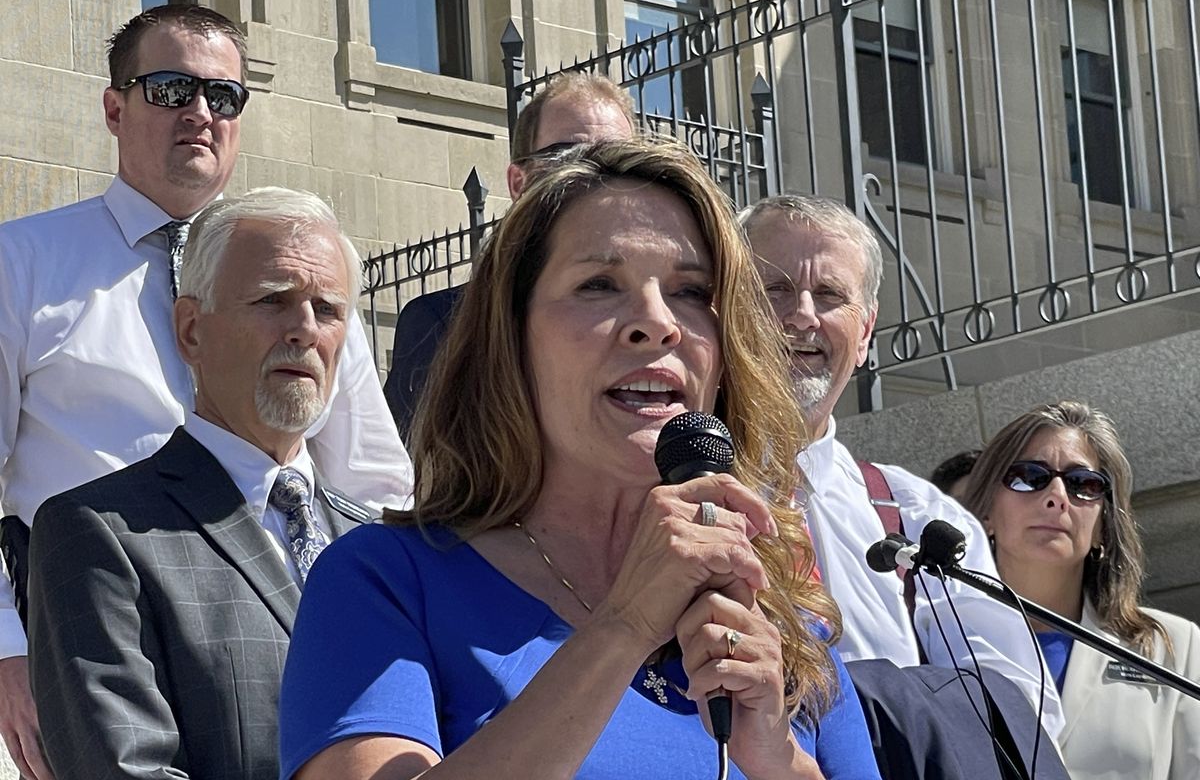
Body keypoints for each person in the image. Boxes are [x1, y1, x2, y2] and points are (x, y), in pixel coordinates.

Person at [279, 138, 881, 779]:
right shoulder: (387, 581)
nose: (656, 323)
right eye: (598, 285)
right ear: (512, 340)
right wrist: (622, 627)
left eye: (690, 291)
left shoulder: (782, 620)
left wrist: (778, 757)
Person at [0, 4, 410, 776]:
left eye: (223, 97)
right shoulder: (20, 265)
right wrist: (10, 656)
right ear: (114, 108)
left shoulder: (305, 285)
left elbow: (375, 482)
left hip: (285, 642)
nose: (199, 113)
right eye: (170, 88)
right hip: (85, 654)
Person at [27, 187, 376, 780]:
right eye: (273, 300)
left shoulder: (377, 547)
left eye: (329, 309)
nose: (304, 330)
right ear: (191, 330)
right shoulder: (98, 536)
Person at [740, 194, 1065, 736]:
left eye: (829, 295)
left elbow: (1023, 718)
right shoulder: (664, 490)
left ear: (865, 332)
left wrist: (867, 704)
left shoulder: (921, 518)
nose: (801, 314)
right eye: (773, 289)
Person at [382, 71, 636, 439]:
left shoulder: (674, 322)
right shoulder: (444, 325)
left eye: (619, 159)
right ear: (520, 183)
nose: (598, 176)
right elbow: (418, 477)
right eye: (570, 158)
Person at [961, 400, 1200, 779]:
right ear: (987, 512)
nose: (1056, 495)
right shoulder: (939, 637)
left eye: (1084, 484)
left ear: (1104, 525)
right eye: (1028, 476)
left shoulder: (1173, 644)